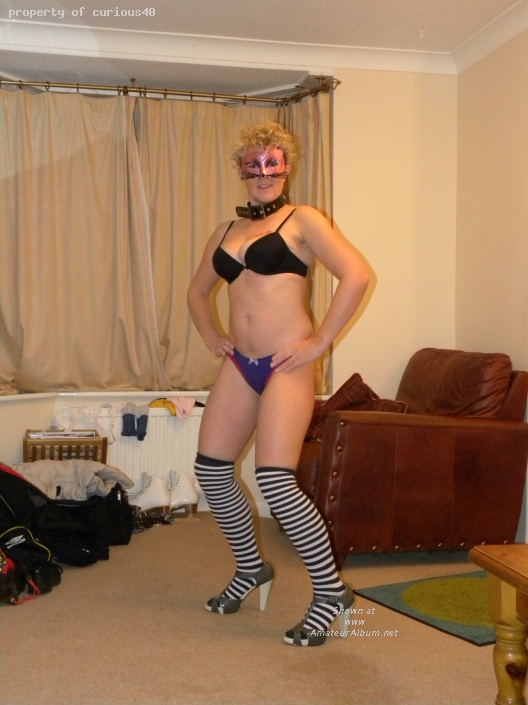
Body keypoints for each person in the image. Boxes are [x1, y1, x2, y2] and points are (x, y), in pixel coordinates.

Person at [187, 121, 370, 646]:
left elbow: (356, 275)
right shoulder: (225, 230)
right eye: (253, 165)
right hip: (240, 364)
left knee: (274, 480)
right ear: (241, 170)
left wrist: (319, 342)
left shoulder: (303, 219)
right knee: (211, 472)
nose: (263, 174)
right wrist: (212, 335)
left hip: (287, 363)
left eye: (272, 163)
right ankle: (251, 568)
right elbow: (197, 293)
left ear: (286, 167)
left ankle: (331, 591)